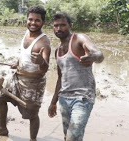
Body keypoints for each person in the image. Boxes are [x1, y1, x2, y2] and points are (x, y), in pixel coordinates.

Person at [0, 5, 51, 141]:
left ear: (43, 22)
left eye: (37, 20)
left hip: (33, 83)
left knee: (31, 114)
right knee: (0, 96)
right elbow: (24, 54)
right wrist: (17, 63)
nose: (33, 23)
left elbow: (45, 69)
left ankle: (33, 139)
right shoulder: (27, 34)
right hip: (18, 77)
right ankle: (2, 129)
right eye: (30, 19)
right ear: (26, 20)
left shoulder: (44, 42)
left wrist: (41, 62)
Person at [48, 12, 104, 141]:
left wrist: (93, 56)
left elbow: (99, 54)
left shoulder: (79, 39)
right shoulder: (57, 50)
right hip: (64, 98)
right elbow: (60, 78)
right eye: (56, 26)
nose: (59, 28)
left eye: (63, 25)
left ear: (70, 25)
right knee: (67, 135)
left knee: (72, 136)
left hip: (82, 98)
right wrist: (53, 102)